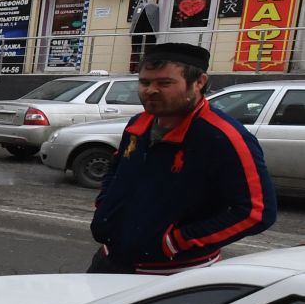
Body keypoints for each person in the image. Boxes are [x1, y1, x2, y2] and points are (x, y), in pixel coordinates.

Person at [90, 42, 275, 274]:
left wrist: (175, 242)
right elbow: (116, 169)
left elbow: (256, 212)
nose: (150, 90)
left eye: (164, 83)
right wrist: (105, 206)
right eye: (145, 82)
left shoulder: (223, 138)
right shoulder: (138, 124)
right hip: (108, 259)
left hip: (174, 273)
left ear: (199, 82)